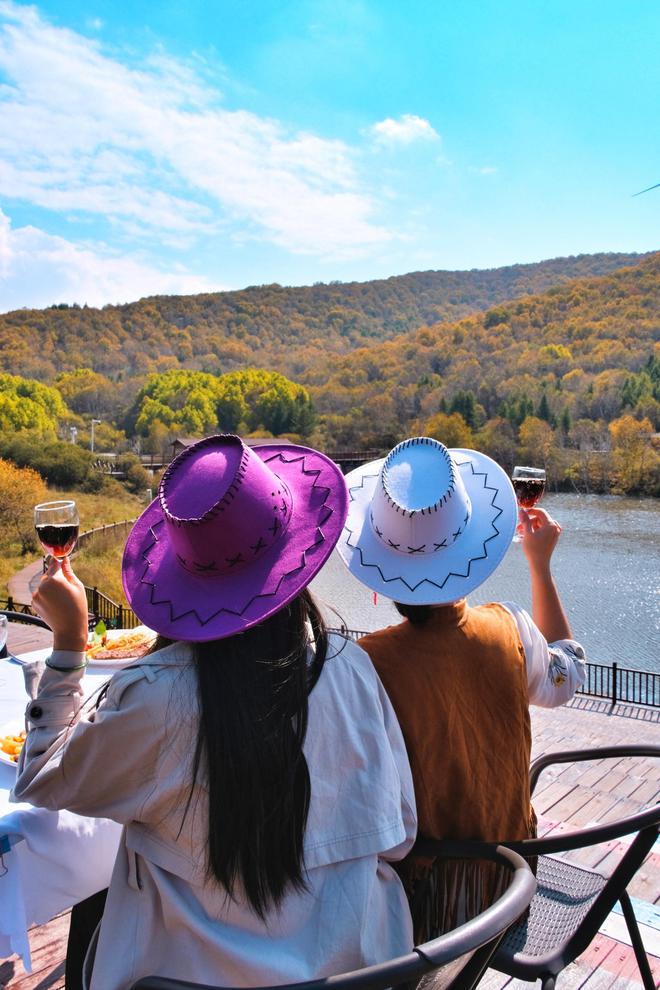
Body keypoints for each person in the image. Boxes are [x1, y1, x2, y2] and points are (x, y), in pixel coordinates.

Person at [12, 435, 417, 990]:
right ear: (295, 554)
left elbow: (40, 780)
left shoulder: (157, 699)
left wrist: (68, 645)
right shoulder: (352, 669)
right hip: (360, 973)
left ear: (184, 578)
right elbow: (401, 835)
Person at [335, 436, 586, 934]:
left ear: (384, 576)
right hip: (510, 887)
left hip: (421, 908)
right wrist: (540, 566)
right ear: (472, 549)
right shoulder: (510, 629)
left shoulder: (364, 666)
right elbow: (569, 676)